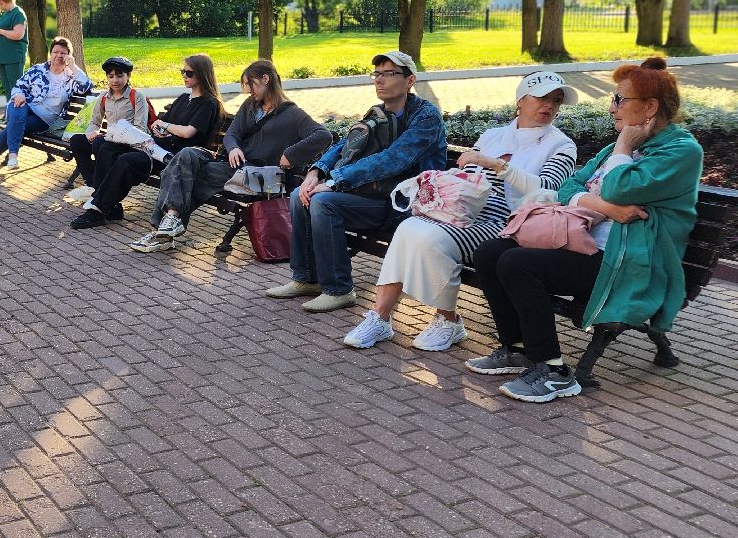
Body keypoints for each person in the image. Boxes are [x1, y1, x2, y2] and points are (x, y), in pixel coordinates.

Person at [465, 57, 701, 403]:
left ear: (650, 107)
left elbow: (622, 188)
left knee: (518, 264)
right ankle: (518, 349)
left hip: (625, 264)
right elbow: (565, 190)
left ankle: (554, 371)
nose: (611, 108)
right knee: (490, 253)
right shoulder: (615, 148)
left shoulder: (681, 151)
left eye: (620, 100)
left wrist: (622, 149)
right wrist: (604, 207)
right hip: (584, 246)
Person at [341, 71, 580, 350]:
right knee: (407, 227)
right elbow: (467, 175)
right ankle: (380, 317)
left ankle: (449, 321)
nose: (549, 105)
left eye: (556, 100)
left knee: (431, 239)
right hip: (463, 211)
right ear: (520, 100)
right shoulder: (494, 135)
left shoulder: (561, 144)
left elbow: (549, 189)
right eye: (542, 98)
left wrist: (496, 166)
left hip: (509, 222)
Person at [266, 50, 447, 312]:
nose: (379, 80)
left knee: (324, 203)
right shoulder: (377, 113)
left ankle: (339, 289)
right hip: (374, 194)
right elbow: (344, 145)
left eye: (389, 74)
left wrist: (335, 181)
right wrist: (317, 172)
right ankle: (307, 278)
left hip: (405, 205)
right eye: (377, 74)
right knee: (299, 195)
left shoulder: (425, 117)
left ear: (410, 80)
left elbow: (393, 159)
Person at [130, 59, 332, 252]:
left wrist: (290, 155)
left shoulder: (292, 114)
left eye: (250, 84)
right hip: (233, 164)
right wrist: (234, 147)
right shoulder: (250, 106)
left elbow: (324, 135)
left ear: (265, 79)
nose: (248, 91)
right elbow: (232, 133)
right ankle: (170, 221)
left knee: (180, 173)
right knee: (186, 155)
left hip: (256, 173)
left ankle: (161, 230)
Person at [70, 54, 223, 230]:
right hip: (155, 145)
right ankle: (110, 205)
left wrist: (165, 125)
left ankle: (98, 210)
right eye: (183, 72)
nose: (184, 76)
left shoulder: (209, 104)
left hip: (174, 157)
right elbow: (161, 124)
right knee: (107, 148)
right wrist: (160, 127)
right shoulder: (183, 98)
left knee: (126, 161)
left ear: (203, 74)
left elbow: (188, 132)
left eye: (189, 73)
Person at [0, 37, 92, 176]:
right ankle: (12, 155)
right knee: (18, 108)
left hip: (43, 120)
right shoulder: (37, 70)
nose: (59, 55)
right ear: (50, 54)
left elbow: (86, 86)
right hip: (22, 106)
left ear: (69, 56)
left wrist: (74, 66)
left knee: (12, 127)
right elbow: (18, 87)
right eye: (56, 51)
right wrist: (19, 94)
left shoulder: (70, 78)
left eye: (63, 53)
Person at [68, 55, 151, 195]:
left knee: (100, 143)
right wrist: (91, 132)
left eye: (119, 76)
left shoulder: (137, 97)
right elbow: (95, 122)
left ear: (128, 75)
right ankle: (93, 183)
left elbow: (140, 129)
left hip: (130, 144)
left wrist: (110, 136)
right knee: (77, 141)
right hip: (109, 141)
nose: (115, 80)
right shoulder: (104, 97)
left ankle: (100, 189)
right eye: (111, 76)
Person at [0, 0, 28, 97]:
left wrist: (0, 31)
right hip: (2, 57)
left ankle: (19, 113)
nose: (0, 7)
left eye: (1, 4)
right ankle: (9, 112)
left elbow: (18, 35)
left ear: (8, 0)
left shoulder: (18, 14)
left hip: (13, 57)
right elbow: (3, 31)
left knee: (16, 88)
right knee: (7, 88)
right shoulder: (5, 14)